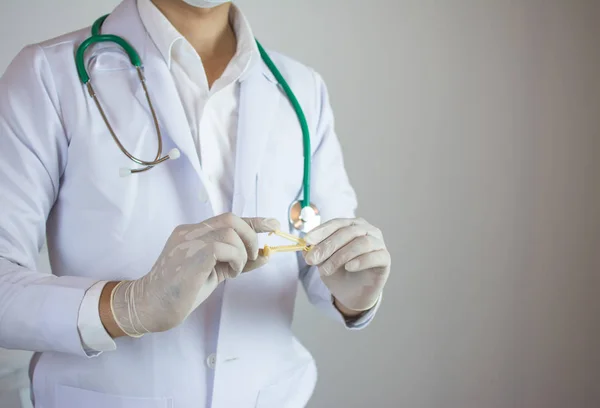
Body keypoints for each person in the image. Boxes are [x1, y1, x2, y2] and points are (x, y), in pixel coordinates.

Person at [0, 0, 391, 407]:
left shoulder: (301, 88)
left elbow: (322, 256)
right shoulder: (49, 75)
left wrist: (352, 293)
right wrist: (128, 305)